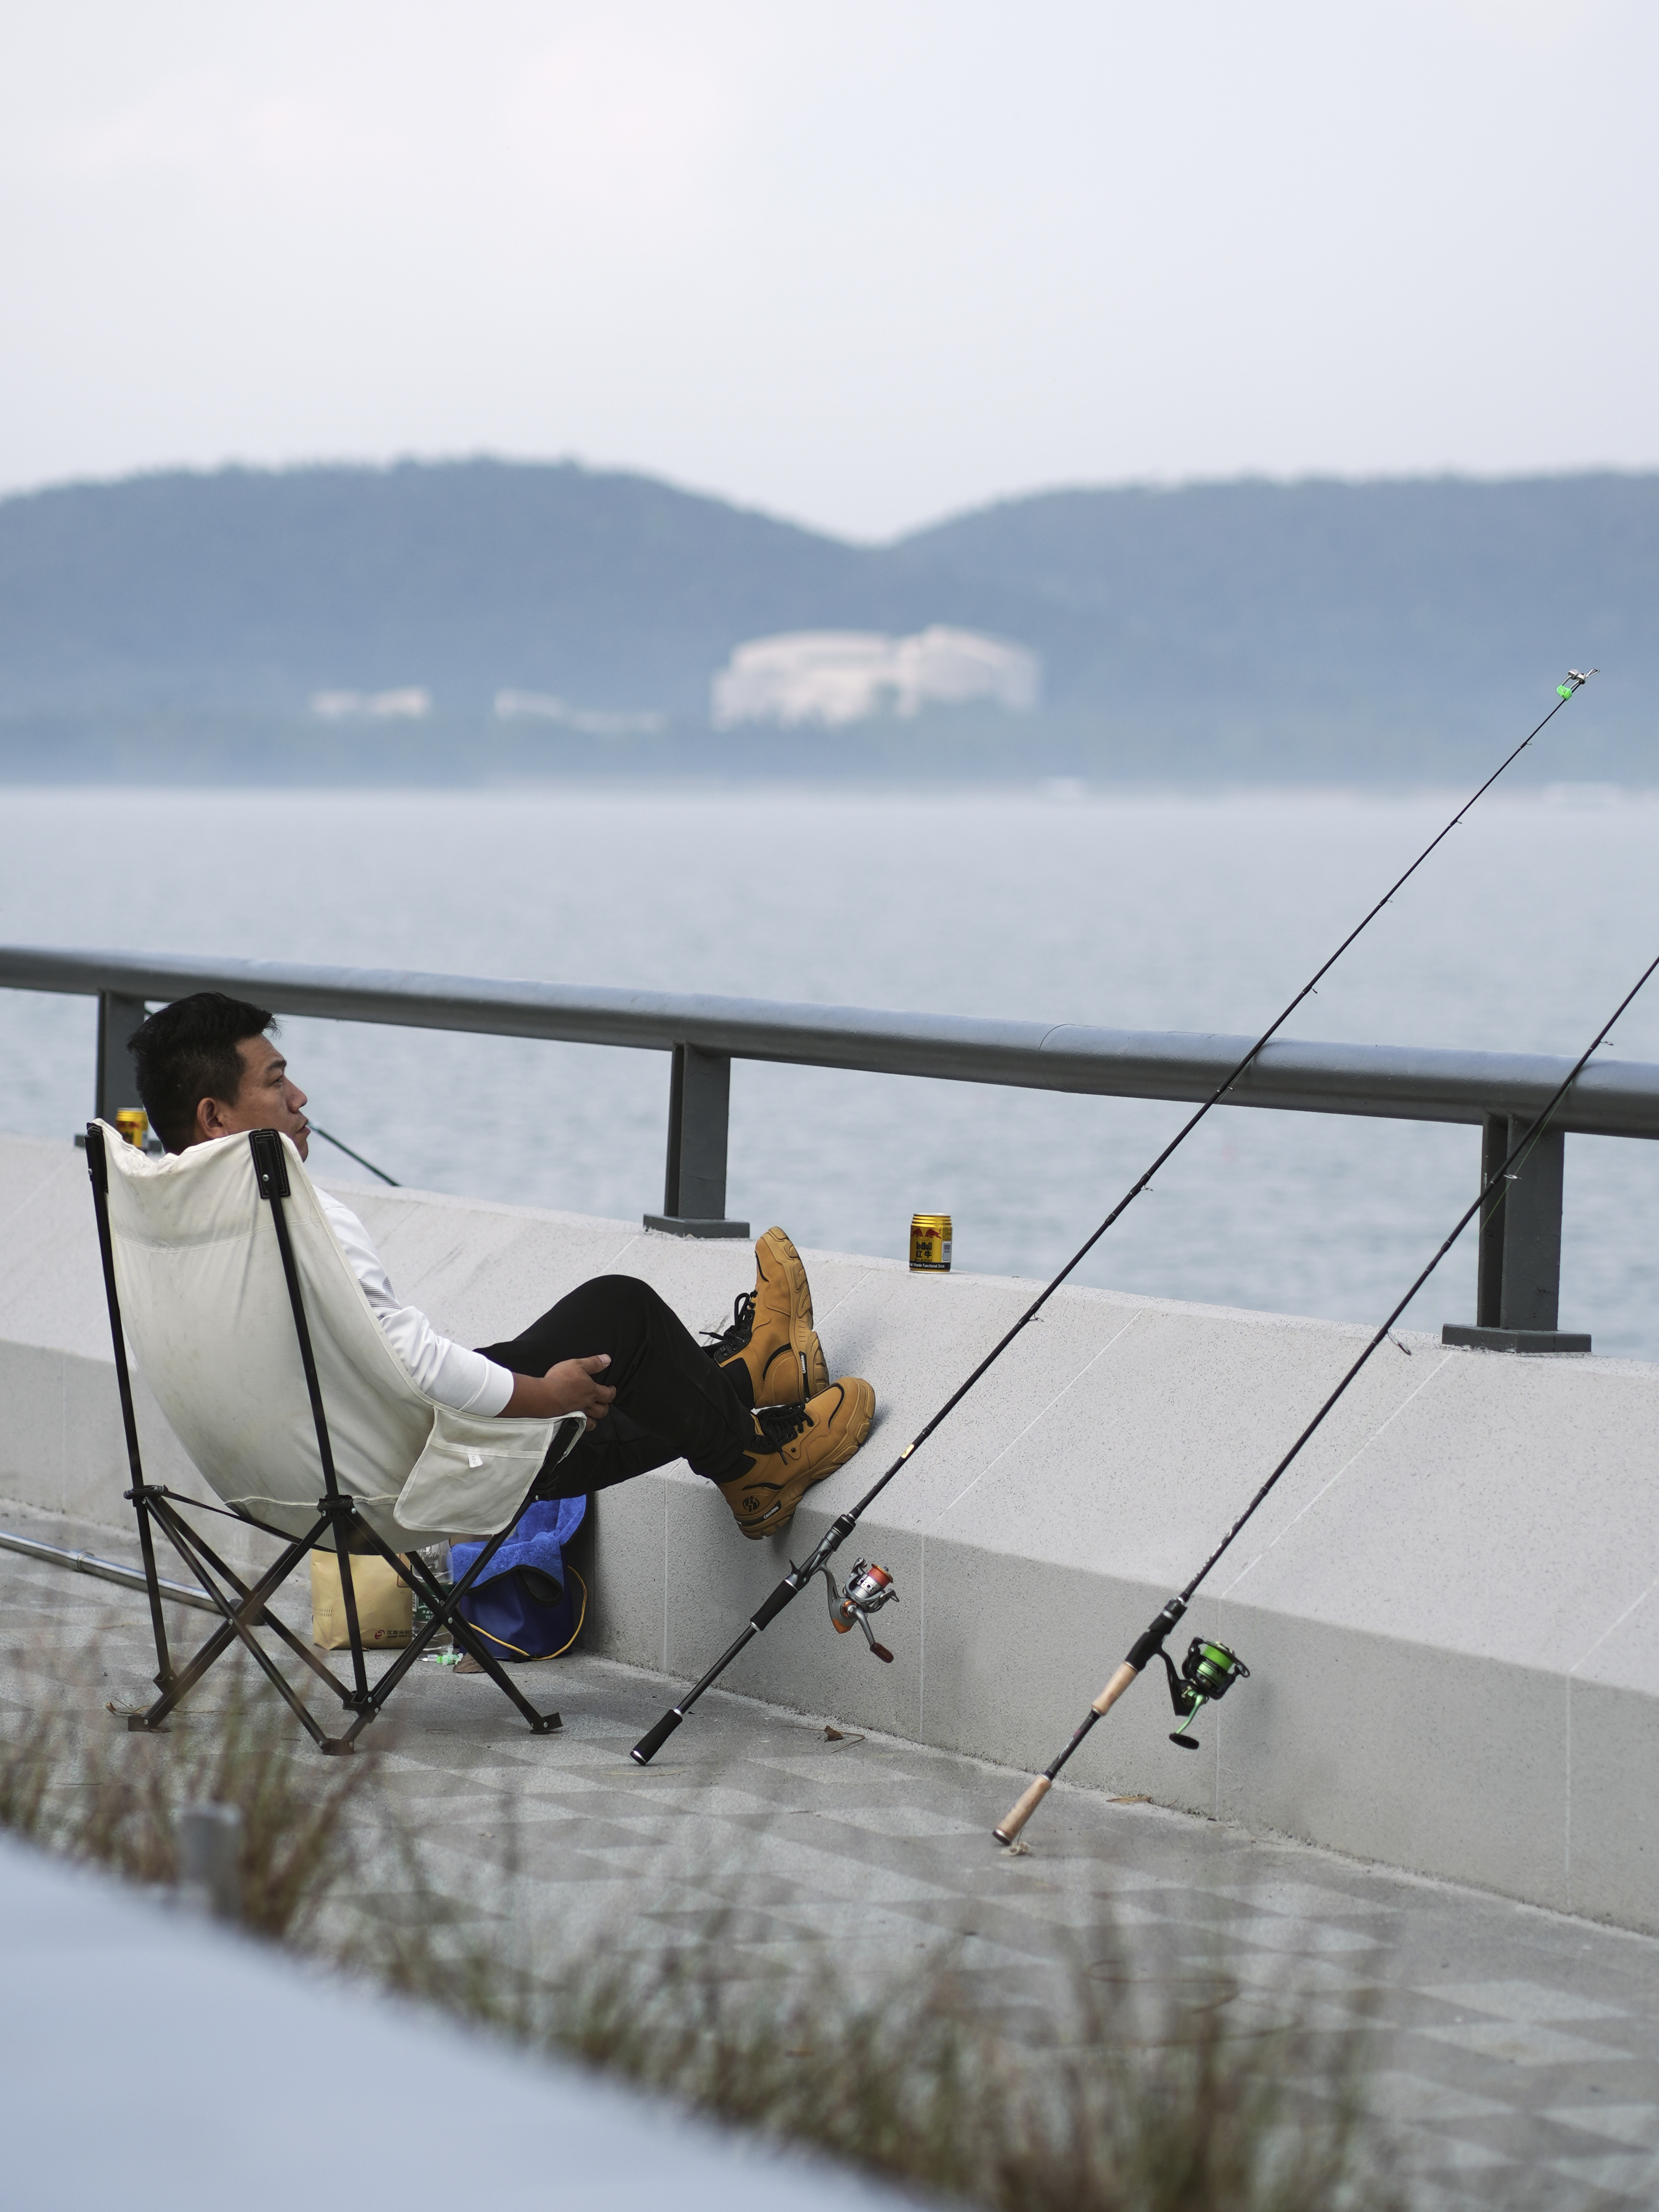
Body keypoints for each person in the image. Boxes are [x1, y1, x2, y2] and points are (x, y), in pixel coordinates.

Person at [127, 992, 875, 1540]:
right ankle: (753, 1469)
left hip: (281, 1484)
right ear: (216, 1116)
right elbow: (411, 1362)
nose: (299, 1096)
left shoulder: (171, 1222)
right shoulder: (296, 1217)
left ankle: (754, 1372)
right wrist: (543, 1396)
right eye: (275, 1080)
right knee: (623, 1313)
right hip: (406, 1478)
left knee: (595, 1367)